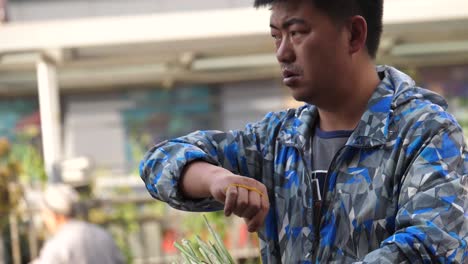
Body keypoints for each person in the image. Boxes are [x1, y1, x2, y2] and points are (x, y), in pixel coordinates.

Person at [140, 0, 468, 263]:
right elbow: (159, 161)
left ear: (353, 34)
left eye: (297, 33)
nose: (282, 52)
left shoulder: (424, 133)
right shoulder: (276, 141)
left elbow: (431, 246)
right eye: (275, 36)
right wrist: (216, 179)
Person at [31, 184, 124, 264]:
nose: (44, 219)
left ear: (54, 215)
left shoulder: (57, 244)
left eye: (45, 213)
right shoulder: (102, 234)